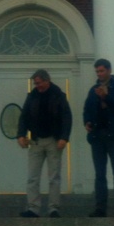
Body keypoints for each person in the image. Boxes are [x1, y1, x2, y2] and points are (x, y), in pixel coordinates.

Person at [17, 69, 72, 218]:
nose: (37, 86)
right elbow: (24, 117)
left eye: (39, 83)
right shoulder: (32, 96)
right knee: (32, 176)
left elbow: (67, 117)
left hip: (54, 140)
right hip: (36, 140)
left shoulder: (59, 95)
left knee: (54, 176)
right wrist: (21, 135)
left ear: (47, 80)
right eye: (36, 83)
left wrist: (64, 137)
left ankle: (54, 208)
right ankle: (33, 208)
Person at [83, 58, 114, 219]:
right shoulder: (93, 89)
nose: (99, 74)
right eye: (97, 71)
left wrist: (106, 97)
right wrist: (87, 122)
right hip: (97, 136)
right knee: (100, 174)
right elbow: (87, 109)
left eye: (101, 71)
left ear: (109, 70)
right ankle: (100, 208)